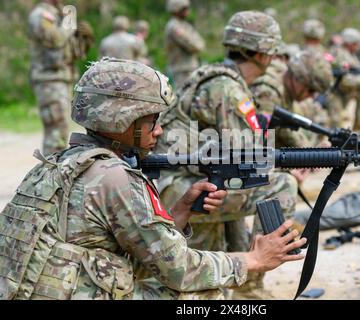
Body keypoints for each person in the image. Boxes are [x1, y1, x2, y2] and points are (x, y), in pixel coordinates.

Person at [0, 58, 306, 300]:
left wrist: (181, 212)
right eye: (151, 121)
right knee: (201, 293)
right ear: (121, 120)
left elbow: (139, 250)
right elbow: (180, 271)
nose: (159, 131)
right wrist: (254, 259)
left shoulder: (56, 163)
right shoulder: (115, 178)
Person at [157, 11, 300, 299]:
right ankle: (250, 285)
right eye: (271, 51)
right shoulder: (229, 90)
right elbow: (246, 159)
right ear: (262, 53)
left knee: (237, 184)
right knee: (282, 185)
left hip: (175, 185)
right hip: (181, 192)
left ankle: (232, 281)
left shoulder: (212, 77)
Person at [28, 0, 94, 155]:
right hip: (49, 80)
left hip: (61, 80)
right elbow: (56, 40)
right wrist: (70, 25)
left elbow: (73, 52)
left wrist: (84, 39)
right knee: (56, 132)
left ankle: (53, 173)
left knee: (61, 131)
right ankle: (49, 175)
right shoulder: (40, 15)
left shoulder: (59, 15)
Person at [327, 28, 360, 130]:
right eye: (356, 44)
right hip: (334, 92)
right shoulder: (339, 54)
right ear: (349, 43)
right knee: (335, 124)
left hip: (344, 91)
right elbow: (345, 80)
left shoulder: (350, 55)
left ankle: (358, 121)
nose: (358, 47)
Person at [164, 0, 205, 89]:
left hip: (190, 67)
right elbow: (193, 45)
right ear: (176, 9)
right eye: (184, 9)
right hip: (182, 69)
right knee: (184, 96)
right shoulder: (174, 26)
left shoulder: (185, 25)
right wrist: (196, 44)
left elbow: (200, 43)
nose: (187, 11)